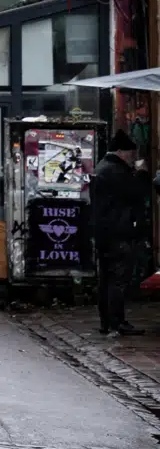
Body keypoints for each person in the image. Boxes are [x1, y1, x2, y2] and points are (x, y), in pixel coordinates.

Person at [92, 130, 149, 336]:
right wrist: (142, 173)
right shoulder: (116, 171)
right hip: (118, 232)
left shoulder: (103, 167)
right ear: (121, 152)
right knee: (118, 278)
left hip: (105, 232)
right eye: (131, 154)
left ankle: (107, 322)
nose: (133, 158)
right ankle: (116, 322)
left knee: (107, 278)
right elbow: (135, 193)